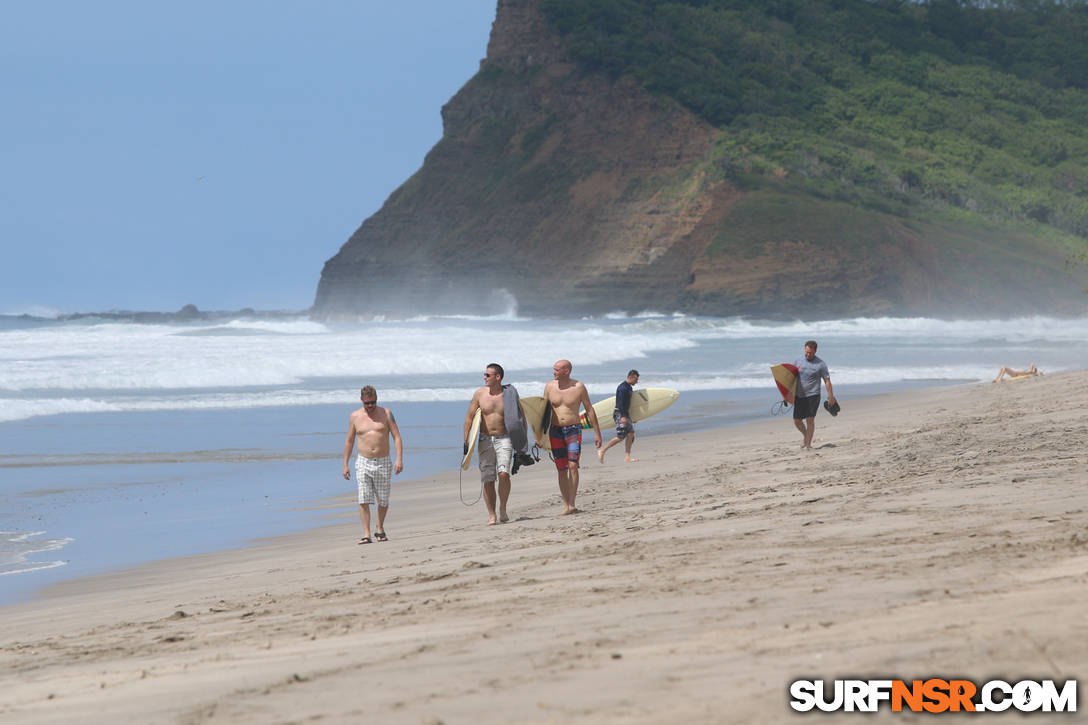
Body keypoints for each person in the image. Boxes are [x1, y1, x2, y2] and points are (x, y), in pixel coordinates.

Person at [463, 363, 528, 525]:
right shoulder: (479, 394)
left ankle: (503, 508)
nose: (484, 378)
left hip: (504, 438)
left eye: (487, 375)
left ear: (497, 377)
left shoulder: (510, 394)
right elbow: (469, 418)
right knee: (488, 478)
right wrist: (466, 441)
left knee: (504, 473)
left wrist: (522, 443)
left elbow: (521, 418)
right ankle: (492, 515)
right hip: (485, 440)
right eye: (484, 375)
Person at [342, 385, 403, 544]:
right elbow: (349, 441)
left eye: (373, 402)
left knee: (383, 500)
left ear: (377, 399)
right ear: (362, 400)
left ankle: (380, 528)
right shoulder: (355, 416)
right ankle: (366, 533)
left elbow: (397, 437)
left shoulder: (386, 414)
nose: (370, 406)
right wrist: (345, 464)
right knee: (363, 498)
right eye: (367, 403)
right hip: (363, 461)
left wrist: (399, 459)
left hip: (383, 461)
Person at [544, 359, 602, 515]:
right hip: (554, 430)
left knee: (573, 466)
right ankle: (566, 504)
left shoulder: (579, 387)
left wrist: (597, 433)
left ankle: (572, 503)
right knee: (561, 469)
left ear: (566, 371)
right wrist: (539, 435)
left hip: (573, 430)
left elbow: (589, 409)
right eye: (554, 369)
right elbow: (543, 412)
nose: (554, 372)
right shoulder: (549, 387)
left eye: (557, 369)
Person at [792, 341, 836, 450]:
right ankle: (806, 435)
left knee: (810, 420)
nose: (808, 354)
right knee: (797, 421)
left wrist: (831, 396)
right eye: (806, 352)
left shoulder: (820, 364)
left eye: (810, 353)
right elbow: (791, 378)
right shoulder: (797, 362)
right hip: (799, 395)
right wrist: (787, 394)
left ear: (815, 351)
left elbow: (827, 381)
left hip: (813, 395)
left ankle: (808, 444)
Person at [598, 369, 640, 464]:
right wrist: (623, 417)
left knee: (630, 434)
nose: (637, 382)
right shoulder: (623, 388)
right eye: (636, 379)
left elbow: (629, 404)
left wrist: (633, 416)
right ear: (631, 377)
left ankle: (627, 457)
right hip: (620, 414)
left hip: (625, 414)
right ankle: (602, 450)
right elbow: (620, 404)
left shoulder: (629, 388)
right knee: (621, 436)